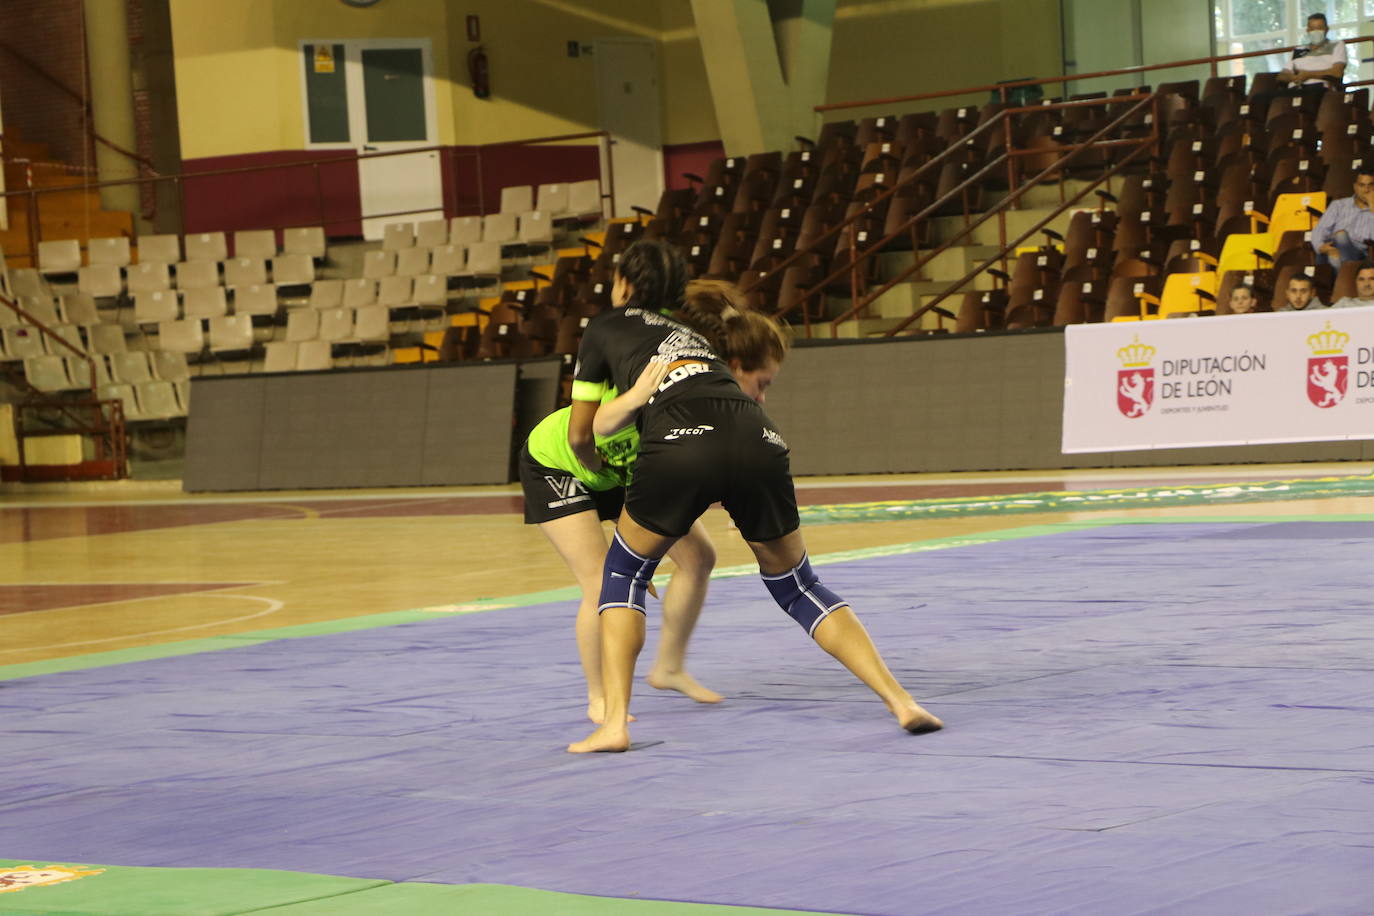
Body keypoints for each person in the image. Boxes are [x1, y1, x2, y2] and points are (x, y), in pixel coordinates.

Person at [564, 239, 942, 753]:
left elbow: (582, 434)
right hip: (757, 436)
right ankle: (901, 701)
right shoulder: (695, 333)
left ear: (624, 284)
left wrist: (602, 478)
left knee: (623, 575)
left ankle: (614, 726)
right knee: (799, 586)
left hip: (678, 443)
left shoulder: (606, 325)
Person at [516, 279, 779, 725]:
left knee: (699, 556)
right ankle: (599, 698)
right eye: (762, 383)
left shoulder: (710, 406)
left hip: (624, 469)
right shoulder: (666, 391)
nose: (763, 397)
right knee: (602, 582)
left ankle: (669, 668)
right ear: (729, 366)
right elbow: (594, 432)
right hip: (563, 464)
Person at [1311, 166, 1374, 269]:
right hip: (1333, 248)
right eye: (1362, 185)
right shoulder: (1338, 205)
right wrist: (1322, 247)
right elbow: (1320, 230)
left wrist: (1372, 207)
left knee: (1341, 236)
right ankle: (1342, 277)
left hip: (1361, 253)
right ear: (1355, 187)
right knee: (1332, 252)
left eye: (1371, 185)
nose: (1366, 190)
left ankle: (1341, 277)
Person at [1278, 13, 1346, 99]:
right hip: (1295, 89)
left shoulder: (1336, 45)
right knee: (1260, 98)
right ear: (1308, 31)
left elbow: (1337, 72)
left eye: (1319, 28)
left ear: (1326, 29)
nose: (1316, 32)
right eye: (1313, 28)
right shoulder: (1297, 50)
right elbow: (1282, 75)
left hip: (1319, 88)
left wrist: (1308, 74)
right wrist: (1295, 77)